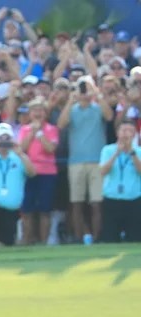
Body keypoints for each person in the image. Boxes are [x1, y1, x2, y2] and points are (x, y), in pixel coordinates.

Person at [57, 76, 113, 244]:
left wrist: (97, 94)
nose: (84, 92)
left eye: (86, 88)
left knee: (96, 203)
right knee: (77, 202)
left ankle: (96, 237)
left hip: (97, 161)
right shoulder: (72, 110)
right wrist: (71, 100)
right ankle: (79, 237)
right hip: (76, 161)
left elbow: (109, 116)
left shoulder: (97, 108)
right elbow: (61, 123)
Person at [19, 97, 59, 244]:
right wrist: (32, 133)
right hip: (28, 172)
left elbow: (50, 148)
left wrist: (40, 134)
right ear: (30, 114)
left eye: (40, 110)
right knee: (27, 210)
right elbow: (22, 149)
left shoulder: (52, 129)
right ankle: (26, 240)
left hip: (47, 172)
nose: (37, 113)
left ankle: (44, 242)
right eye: (34, 110)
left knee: (45, 209)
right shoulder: (25, 129)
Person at [98, 119, 141, 242]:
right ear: (117, 133)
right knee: (110, 237)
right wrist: (117, 153)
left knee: (135, 238)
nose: (126, 134)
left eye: (130, 131)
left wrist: (132, 153)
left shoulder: (138, 151)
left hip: (134, 199)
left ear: (134, 134)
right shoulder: (107, 150)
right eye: (123, 130)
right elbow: (103, 171)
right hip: (112, 199)